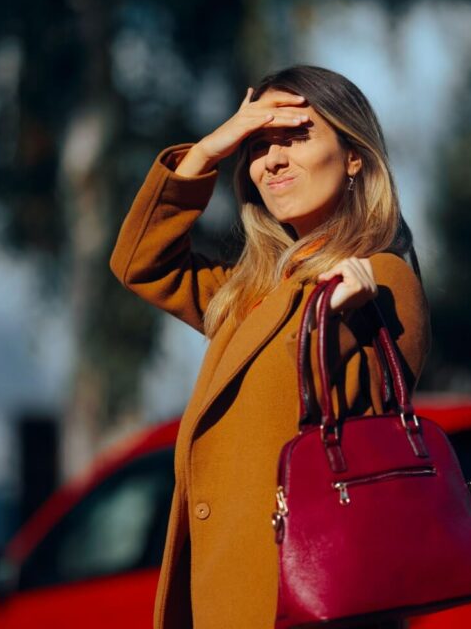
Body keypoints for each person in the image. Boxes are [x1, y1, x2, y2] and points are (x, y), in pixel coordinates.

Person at [110, 65, 431, 629]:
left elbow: (338, 412)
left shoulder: (380, 277)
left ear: (354, 156)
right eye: (258, 145)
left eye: (296, 136)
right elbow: (141, 262)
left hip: (300, 605)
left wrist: (340, 318)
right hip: (224, 599)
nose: (272, 160)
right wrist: (210, 148)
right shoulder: (250, 295)